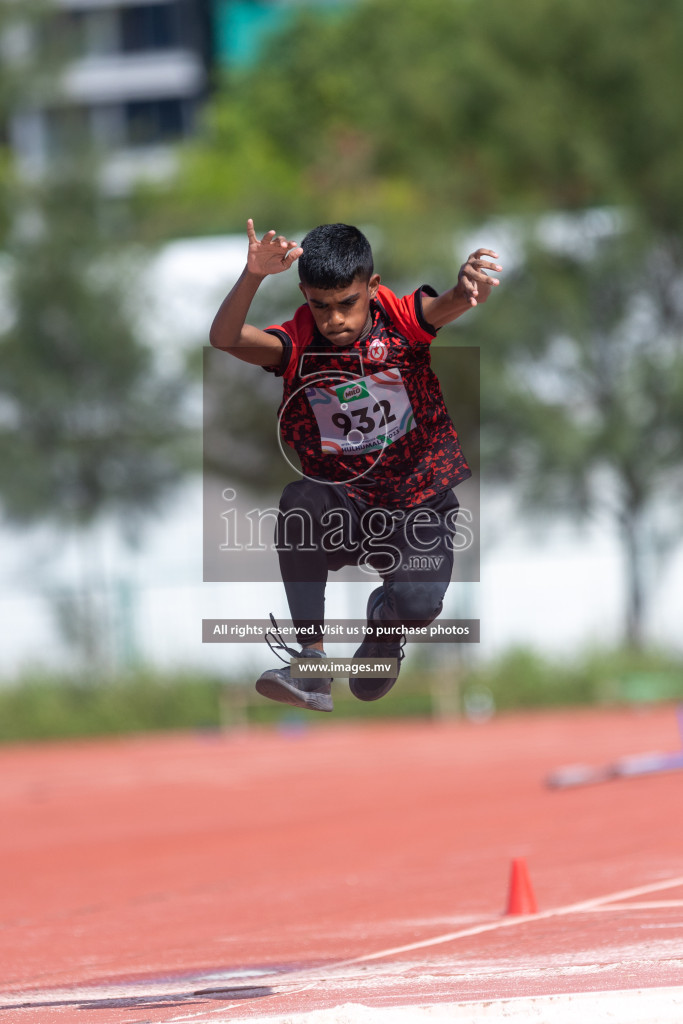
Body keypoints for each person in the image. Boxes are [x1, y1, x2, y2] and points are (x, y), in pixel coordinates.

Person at [210, 218, 501, 713]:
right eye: (320, 306)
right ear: (304, 295)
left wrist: (467, 286)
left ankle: (385, 629)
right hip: (346, 502)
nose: (335, 319)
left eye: (348, 303)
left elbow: (447, 304)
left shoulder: (401, 320)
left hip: (418, 501)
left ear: (372, 287)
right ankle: (312, 666)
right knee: (298, 500)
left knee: (420, 605)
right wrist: (254, 275)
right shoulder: (298, 342)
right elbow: (225, 338)